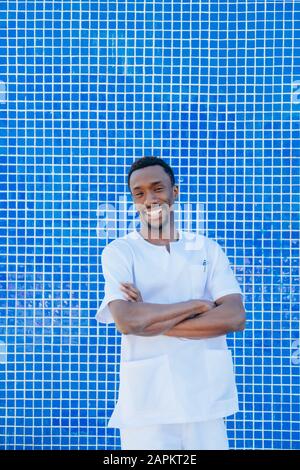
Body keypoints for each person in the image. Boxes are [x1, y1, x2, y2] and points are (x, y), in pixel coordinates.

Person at [96, 156, 245, 450]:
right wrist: (197, 305)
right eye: (138, 193)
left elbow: (234, 317)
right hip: (147, 405)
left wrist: (150, 321)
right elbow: (127, 321)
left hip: (204, 398)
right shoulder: (120, 252)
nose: (149, 199)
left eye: (157, 189)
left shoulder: (207, 249)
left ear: (174, 192)